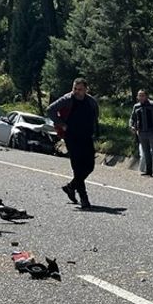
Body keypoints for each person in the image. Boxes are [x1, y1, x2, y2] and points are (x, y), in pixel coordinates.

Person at [48, 77, 100, 210]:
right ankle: (84, 199)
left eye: (80, 89)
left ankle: (71, 187)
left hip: (86, 137)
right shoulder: (67, 99)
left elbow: (95, 117)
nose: (77, 92)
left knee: (89, 166)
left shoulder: (91, 102)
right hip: (71, 136)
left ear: (86, 89)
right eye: (75, 89)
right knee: (77, 167)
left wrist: (95, 132)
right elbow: (51, 110)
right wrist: (61, 124)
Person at [130, 90, 153, 177]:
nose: (140, 97)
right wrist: (132, 126)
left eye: (142, 95)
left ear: (146, 96)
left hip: (152, 132)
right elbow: (132, 118)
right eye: (139, 96)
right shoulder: (136, 106)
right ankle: (149, 170)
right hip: (141, 132)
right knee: (146, 152)